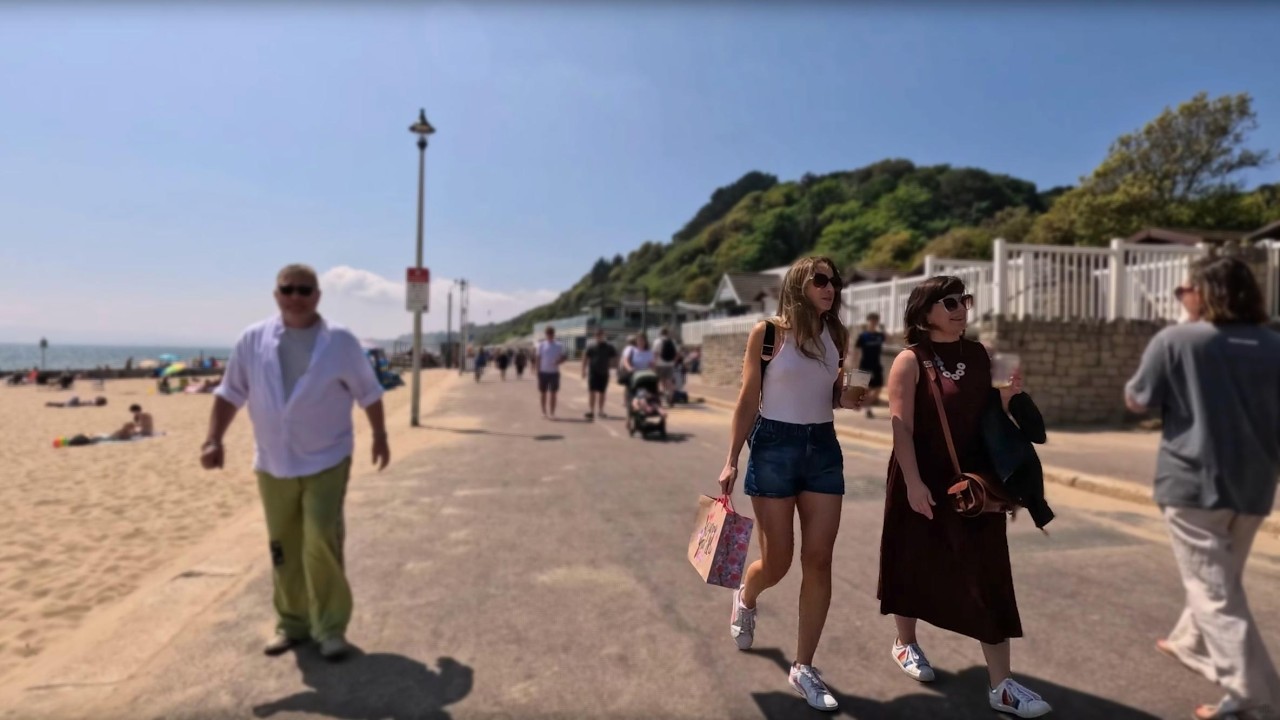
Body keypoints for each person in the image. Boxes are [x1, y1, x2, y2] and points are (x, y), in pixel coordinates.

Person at [877, 275, 1050, 718]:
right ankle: (906, 642)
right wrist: (913, 484)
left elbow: (1000, 412)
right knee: (910, 561)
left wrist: (1012, 395)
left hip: (972, 484)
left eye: (965, 300)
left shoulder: (981, 354)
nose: (961, 308)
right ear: (924, 311)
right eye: (950, 301)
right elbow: (903, 429)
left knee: (990, 575)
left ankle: (1002, 685)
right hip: (922, 477)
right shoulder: (909, 361)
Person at [200, 263, 390, 661]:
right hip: (273, 461)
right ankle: (292, 624)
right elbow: (230, 392)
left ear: (318, 296)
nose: (296, 297)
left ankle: (331, 628)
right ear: (276, 295)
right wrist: (213, 438)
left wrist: (380, 436)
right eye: (289, 289)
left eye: (305, 290)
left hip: (327, 457)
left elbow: (369, 392)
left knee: (321, 537)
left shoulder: (339, 341)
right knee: (283, 545)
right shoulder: (252, 339)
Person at [1125, 256, 1280, 720]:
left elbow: (1138, 398)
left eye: (1183, 290)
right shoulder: (1275, 345)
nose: (1180, 297)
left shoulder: (1176, 340)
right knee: (1221, 580)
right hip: (1254, 484)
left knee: (1214, 592)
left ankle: (1256, 696)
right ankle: (1188, 640)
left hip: (1192, 483)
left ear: (1204, 293)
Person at [719, 256, 863, 713]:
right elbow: (748, 398)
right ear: (799, 285)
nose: (830, 287)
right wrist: (730, 459)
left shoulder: (837, 335)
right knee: (777, 562)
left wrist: (849, 395)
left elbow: (833, 397)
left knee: (819, 559)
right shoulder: (768, 334)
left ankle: (804, 667)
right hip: (773, 446)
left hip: (822, 447)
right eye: (820, 279)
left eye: (834, 281)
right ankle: (747, 594)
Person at [854, 312, 887, 418]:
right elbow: (857, 351)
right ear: (868, 321)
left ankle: (866, 404)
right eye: (871, 320)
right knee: (865, 389)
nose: (873, 322)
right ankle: (868, 409)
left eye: (875, 321)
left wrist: (883, 329)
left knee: (878, 387)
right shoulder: (863, 336)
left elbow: (888, 339)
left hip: (876, 364)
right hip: (865, 364)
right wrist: (855, 364)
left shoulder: (879, 336)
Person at [582, 328, 618, 420]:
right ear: (595, 336)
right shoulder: (591, 346)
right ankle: (591, 411)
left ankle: (601, 411)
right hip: (593, 372)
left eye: (600, 334)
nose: (599, 336)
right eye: (597, 335)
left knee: (602, 392)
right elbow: (585, 357)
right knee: (592, 392)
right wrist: (583, 370)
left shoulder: (608, 346)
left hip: (604, 372)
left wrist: (614, 368)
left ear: (603, 335)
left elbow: (615, 357)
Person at [535, 327, 567, 418]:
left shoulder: (559, 345)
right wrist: (537, 370)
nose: (550, 335)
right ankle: (544, 412)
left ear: (554, 334)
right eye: (548, 333)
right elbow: (538, 358)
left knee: (553, 393)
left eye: (551, 333)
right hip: (543, 372)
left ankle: (552, 413)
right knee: (543, 393)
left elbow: (564, 357)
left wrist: (559, 361)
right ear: (546, 334)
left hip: (554, 373)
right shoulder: (541, 345)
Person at [619, 333, 654, 413]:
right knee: (631, 394)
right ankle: (630, 413)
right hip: (634, 375)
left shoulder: (649, 352)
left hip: (644, 376)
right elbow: (625, 360)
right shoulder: (632, 350)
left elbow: (651, 364)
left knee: (644, 393)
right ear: (636, 341)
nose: (640, 342)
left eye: (642, 340)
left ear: (645, 341)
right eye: (639, 340)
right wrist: (629, 368)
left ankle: (644, 407)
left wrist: (651, 370)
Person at [654, 326, 681, 404]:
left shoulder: (657, 341)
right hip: (670, 365)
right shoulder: (673, 341)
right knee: (669, 381)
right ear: (667, 333)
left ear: (660, 333)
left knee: (660, 381)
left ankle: (663, 393)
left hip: (659, 364)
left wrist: (654, 364)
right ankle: (671, 396)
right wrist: (674, 362)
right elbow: (678, 354)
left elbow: (655, 354)